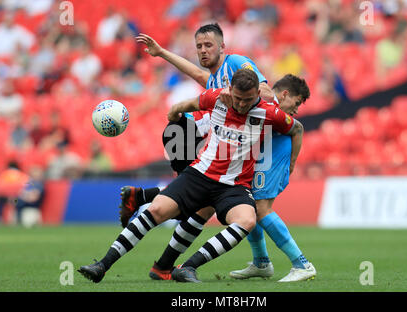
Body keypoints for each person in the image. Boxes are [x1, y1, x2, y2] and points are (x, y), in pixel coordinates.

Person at [130, 23, 316, 282]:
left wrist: (252, 104)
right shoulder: (216, 79)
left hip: (271, 145)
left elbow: (263, 91)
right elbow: (195, 72)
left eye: (208, 45)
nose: (203, 51)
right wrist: (162, 52)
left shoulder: (236, 64)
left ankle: (301, 263)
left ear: (222, 46)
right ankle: (261, 262)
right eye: (199, 47)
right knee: (242, 205)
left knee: (256, 208)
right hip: (245, 150)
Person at [78, 69, 300, 283]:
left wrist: (291, 165)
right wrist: (174, 114)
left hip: (234, 185)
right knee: (156, 210)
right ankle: (102, 266)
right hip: (199, 175)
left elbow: (297, 129)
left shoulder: (269, 113)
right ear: (230, 90)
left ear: (258, 94)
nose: (242, 104)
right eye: (238, 98)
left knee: (247, 220)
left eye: (248, 99)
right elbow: (187, 105)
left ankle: (187, 267)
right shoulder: (216, 98)